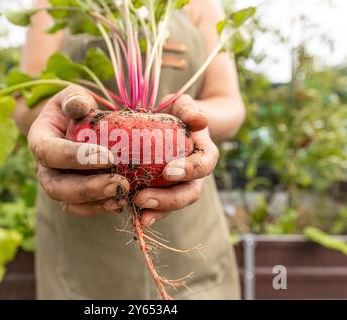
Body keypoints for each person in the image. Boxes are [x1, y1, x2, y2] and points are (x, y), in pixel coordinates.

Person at [13, 0, 245, 299]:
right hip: (81, 216)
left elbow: (229, 103)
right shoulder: (54, 4)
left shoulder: (201, 4)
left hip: (184, 207)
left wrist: (186, 121)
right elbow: (25, 104)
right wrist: (60, 117)